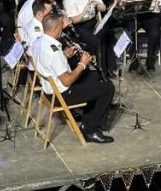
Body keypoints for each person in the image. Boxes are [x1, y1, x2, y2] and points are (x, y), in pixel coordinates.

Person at [34, 12, 116, 143]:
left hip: (49, 90)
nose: (63, 29)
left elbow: (48, 63)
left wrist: (65, 55)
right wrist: (82, 64)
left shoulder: (38, 41)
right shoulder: (54, 52)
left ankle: (87, 121)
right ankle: (91, 131)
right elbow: (66, 81)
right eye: (61, 26)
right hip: (62, 95)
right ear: (54, 28)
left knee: (94, 77)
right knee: (108, 88)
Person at [114, 0, 161, 73]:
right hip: (133, 14)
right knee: (129, 32)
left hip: (150, 15)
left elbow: (154, 4)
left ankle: (150, 60)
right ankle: (133, 60)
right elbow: (120, 2)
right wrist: (119, 2)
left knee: (155, 33)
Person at [63, 0, 108, 69]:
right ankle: (103, 73)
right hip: (80, 27)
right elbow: (74, 20)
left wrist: (98, 4)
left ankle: (109, 68)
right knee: (98, 42)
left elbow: (104, 8)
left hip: (93, 22)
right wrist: (84, 11)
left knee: (108, 36)